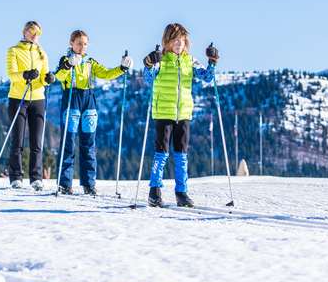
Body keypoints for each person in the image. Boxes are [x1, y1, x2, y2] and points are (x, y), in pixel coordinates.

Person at [142, 23, 219, 207]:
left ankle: (182, 192)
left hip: (183, 113)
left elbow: (207, 77)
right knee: (161, 154)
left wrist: (212, 61)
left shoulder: (190, 60)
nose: (179, 43)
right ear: (167, 42)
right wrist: (149, 62)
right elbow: (147, 78)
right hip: (163, 112)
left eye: (182, 40)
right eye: (175, 40)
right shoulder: (161, 60)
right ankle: (155, 191)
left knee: (181, 155)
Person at [54, 30, 133, 195]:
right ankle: (64, 183)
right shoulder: (65, 60)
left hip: (89, 101)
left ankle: (89, 184)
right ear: (71, 44)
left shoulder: (90, 62)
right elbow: (59, 76)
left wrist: (122, 68)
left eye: (85, 44)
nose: (82, 47)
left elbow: (105, 73)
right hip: (72, 99)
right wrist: (69, 64)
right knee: (68, 143)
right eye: (79, 43)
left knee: (88, 144)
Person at [5, 21, 55, 191]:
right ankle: (16, 177)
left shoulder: (42, 53)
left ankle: (36, 178)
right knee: (17, 139)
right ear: (24, 32)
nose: (34, 35)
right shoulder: (14, 51)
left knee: (36, 140)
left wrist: (47, 79)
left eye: (37, 33)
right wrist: (25, 75)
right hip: (18, 97)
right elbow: (12, 74)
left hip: (38, 98)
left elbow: (43, 77)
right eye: (31, 31)